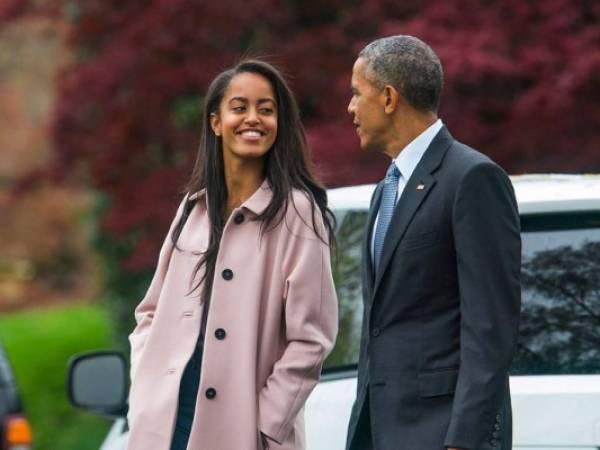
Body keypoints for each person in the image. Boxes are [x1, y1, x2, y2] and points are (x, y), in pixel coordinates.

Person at [126, 59, 338, 450]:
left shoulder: (298, 214)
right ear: (216, 122)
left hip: (244, 431)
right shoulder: (193, 209)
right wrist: (146, 385)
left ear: (280, 124)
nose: (253, 118)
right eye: (239, 107)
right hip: (164, 425)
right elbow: (149, 312)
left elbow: (313, 338)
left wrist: (267, 421)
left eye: (267, 109)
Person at [345, 35, 521, 450]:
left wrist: (463, 440)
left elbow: (491, 326)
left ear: (389, 98)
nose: (350, 108)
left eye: (356, 93)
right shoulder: (385, 191)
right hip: (380, 433)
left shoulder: (473, 178)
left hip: (444, 436)